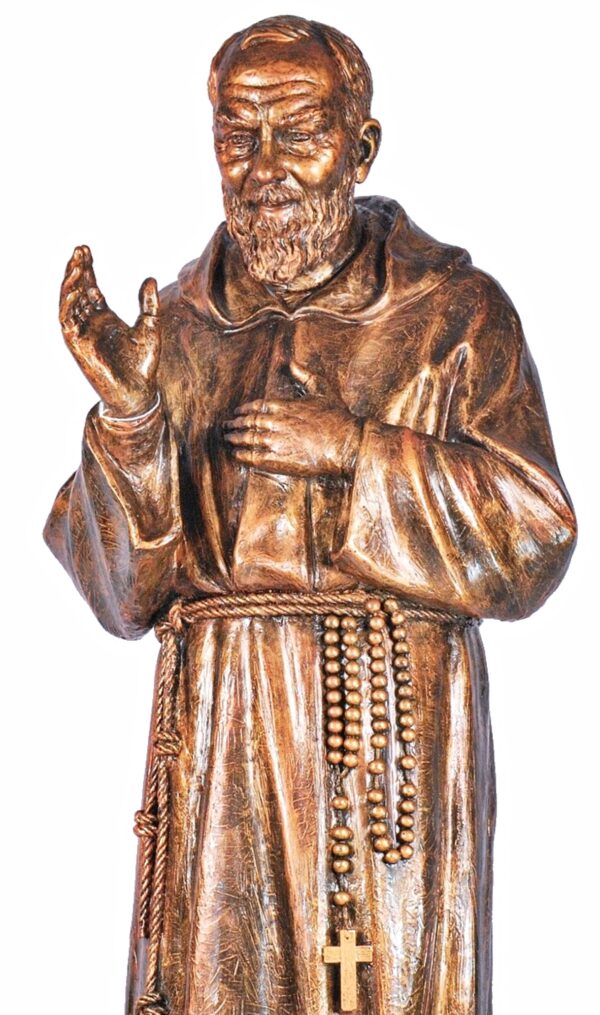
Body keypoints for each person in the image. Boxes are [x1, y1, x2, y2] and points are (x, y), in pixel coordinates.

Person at [44, 15, 577, 1015]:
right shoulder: (178, 330)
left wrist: (356, 453)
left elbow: (535, 533)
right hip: (221, 741)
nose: (265, 168)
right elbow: (123, 599)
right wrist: (129, 417)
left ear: (361, 146)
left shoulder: (452, 314)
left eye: (298, 131)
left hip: (384, 742)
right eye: (236, 134)